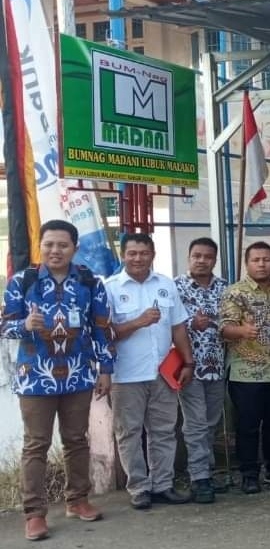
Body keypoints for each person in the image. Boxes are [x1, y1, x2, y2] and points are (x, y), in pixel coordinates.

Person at [2, 220, 114, 541]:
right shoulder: (22, 282)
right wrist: (24, 324)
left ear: (74, 248)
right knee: (36, 445)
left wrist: (105, 369)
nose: (55, 251)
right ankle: (34, 513)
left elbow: (102, 328)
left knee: (77, 440)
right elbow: (4, 326)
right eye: (49, 244)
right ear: (41, 246)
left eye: (62, 245)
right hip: (36, 378)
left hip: (79, 375)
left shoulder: (90, 282)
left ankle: (78, 500)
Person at [105, 233, 195, 510]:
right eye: (132, 253)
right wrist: (138, 322)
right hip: (126, 375)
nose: (138, 258)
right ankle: (139, 487)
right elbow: (104, 334)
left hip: (162, 374)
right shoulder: (110, 287)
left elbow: (178, 327)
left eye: (143, 252)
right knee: (128, 433)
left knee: (164, 431)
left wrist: (188, 362)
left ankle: (162, 484)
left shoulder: (166, 285)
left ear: (152, 254)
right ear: (123, 255)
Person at [220, 241, 270, 494]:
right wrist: (242, 330)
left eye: (266, 259)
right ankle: (249, 473)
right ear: (247, 263)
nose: (262, 264)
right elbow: (225, 329)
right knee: (248, 425)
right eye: (256, 260)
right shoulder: (235, 292)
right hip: (245, 372)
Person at [175, 237, 229, 504]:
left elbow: (231, 322)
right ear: (189, 257)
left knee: (210, 423)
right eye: (197, 255)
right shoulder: (176, 287)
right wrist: (189, 324)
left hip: (217, 366)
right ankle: (199, 478)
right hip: (188, 367)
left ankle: (205, 469)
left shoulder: (224, 288)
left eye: (207, 257)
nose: (201, 260)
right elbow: (167, 326)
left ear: (214, 260)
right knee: (195, 424)